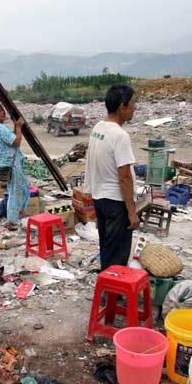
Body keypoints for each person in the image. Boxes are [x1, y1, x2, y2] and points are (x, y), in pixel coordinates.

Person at [84, 85, 139, 271]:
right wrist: (132, 212)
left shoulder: (98, 128)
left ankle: (106, 287)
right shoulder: (120, 136)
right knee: (117, 253)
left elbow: (91, 165)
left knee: (107, 247)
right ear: (122, 106)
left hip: (101, 199)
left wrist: (93, 200)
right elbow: (124, 177)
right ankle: (111, 294)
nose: (135, 108)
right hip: (116, 203)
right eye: (133, 103)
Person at [0, 103, 29, 231]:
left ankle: (19, 213)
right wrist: (19, 127)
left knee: (23, 188)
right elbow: (16, 142)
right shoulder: (0, 128)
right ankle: (11, 221)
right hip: (12, 164)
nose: (3, 113)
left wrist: (16, 127)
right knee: (15, 192)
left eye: (3, 111)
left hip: (6, 163)